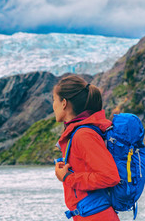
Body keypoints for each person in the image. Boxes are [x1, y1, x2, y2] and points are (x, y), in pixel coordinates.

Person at [52, 75, 120, 220]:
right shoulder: (79, 133)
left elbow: (109, 177)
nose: (53, 105)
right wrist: (68, 170)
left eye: (54, 100)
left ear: (64, 103)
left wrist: (68, 177)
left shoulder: (84, 135)